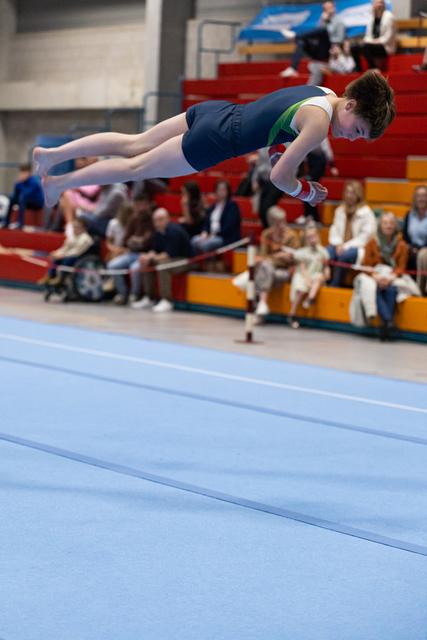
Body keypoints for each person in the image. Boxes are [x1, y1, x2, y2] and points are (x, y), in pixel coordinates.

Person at [33, 71, 395, 212]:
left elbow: (275, 126)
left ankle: (52, 154)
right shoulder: (318, 125)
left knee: (134, 143)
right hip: (218, 140)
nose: (351, 137)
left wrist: (277, 149)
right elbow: (279, 177)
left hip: (217, 112)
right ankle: (61, 182)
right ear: (350, 104)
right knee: (134, 168)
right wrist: (306, 192)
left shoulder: (322, 92)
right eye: (357, 129)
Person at [352, 212, 417, 340]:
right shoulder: (372, 242)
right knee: (374, 289)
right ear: (380, 225)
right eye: (385, 223)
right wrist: (376, 276)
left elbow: (401, 267)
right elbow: (366, 265)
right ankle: (389, 321)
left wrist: (391, 277)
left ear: (396, 226)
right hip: (374, 275)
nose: (388, 226)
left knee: (391, 289)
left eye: (391, 223)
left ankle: (385, 325)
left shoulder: (402, 245)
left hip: (391, 276)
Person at [131, 207, 193, 313]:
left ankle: (167, 300)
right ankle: (149, 297)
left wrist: (151, 257)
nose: (157, 223)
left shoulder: (174, 231)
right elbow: (155, 250)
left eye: (161, 219)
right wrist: (147, 257)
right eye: (155, 220)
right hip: (171, 259)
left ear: (167, 219)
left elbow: (168, 255)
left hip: (186, 260)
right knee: (148, 263)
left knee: (163, 266)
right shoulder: (158, 232)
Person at [106, 195, 154, 305]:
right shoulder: (133, 219)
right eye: (138, 205)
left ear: (147, 205)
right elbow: (126, 239)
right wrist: (134, 241)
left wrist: (140, 241)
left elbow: (150, 241)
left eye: (143, 204)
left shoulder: (152, 219)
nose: (141, 208)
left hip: (144, 254)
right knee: (112, 265)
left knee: (134, 268)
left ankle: (134, 295)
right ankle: (122, 294)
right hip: (131, 252)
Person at [327, 180, 377, 286]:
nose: (349, 195)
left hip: (357, 247)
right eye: (347, 192)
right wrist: (338, 244)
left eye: (353, 193)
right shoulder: (340, 210)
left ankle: (334, 286)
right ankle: (324, 282)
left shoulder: (366, 212)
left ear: (358, 195)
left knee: (344, 256)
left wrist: (345, 246)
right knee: (326, 253)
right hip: (339, 244)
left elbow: (365, 237)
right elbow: (334, 229)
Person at [254, 205, 300, 317]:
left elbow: (295, 258)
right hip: (269, 269)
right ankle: (262, 305)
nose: (282, 225)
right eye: (278, 222)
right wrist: (279, 256)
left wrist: (273, 258)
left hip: (285, 271)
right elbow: (261, 257)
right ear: (271, 223)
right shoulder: (267, 234)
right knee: (266, 268)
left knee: (263, 270)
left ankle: (261, 304)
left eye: (283, 221)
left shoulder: (292, 236)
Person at [280, 0, 345, 78]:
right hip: (318, 49)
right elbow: (315, 34)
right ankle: (293, 68)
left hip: (330, 50)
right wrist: (323, 21)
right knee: (301, 41)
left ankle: (295, 36)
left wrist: (326, 22)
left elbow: (339, 39)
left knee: (323, 30)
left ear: (334, 8)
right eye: (325, 9)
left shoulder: (339, 22)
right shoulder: (322, 20)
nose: (328, 10)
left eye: (329, 8)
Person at [288, 224, 330, 328]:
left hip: (316, 274)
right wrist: (307, 280)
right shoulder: (302, 252)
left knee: (319, 277)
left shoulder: (323, 251)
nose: (312, 239)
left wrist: (327, 273)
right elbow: (302, 269)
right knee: (300, 288)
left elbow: (325, 266)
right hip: (304, 275)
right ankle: (292, 313)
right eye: (309, 237)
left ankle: (310, 298)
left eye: (314, 236)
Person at [40, 218, 93, 286]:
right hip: (68, 255)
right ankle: (50, 276)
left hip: (78, 258)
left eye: (77, 227)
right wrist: (56, 253)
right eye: (74, 227)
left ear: (84, 228)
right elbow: (64, 248)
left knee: (67, 259)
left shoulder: (86, 239)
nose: (75, 229)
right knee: (56, 260)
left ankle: (61, 277)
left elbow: (76, 252)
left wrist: (62, 255)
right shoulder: (72, 237)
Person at [191, 180, 241, 254]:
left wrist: (213, 235)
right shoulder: (213, 206)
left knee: (206, 244)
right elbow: (206, 223)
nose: (221, 192)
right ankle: (196, 264)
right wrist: (204, 232)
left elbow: (229, 226)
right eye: (219, 189)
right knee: (194, 240)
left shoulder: (232, 206)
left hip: (224, 237)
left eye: (223, 189)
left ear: (228, 191)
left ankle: (209, 263)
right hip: (210, 235)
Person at [350, 0, 396, 72]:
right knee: (353, 47)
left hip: (385, 47)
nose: (379, 5)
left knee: (365, 46)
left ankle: (372, 67)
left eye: (381, 3)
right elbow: (367, 36)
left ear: (384, 5)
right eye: (377, 3)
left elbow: (388, 38)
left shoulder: (389, 17)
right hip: (372, 45)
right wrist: (370, 41)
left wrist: (373, 42)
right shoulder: (371, 17)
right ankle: (358, 69)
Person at [402, 185, 427, 296]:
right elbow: (405, 236)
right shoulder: (409, 215)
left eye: (424, 196)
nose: (421, 199)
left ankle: (421, 290)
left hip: (425, 249)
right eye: (418, 196)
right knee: (402, 251)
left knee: (422, 255)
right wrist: (410, 247)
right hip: (411, 247)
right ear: (414, 198)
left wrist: (419, 248)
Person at [2, 163, 44, 229]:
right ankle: (7, 222)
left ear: (29, 173)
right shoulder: (19, 183)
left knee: (23, 198)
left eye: (24, 173)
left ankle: (20, 223)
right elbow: (15, 195)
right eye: (21, 173)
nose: (22, 175)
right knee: (11, 199)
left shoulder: (34, 181)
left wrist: (21, 185)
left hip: (36, 202)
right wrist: (17, 185)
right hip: (24, 201)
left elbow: (28, 194)